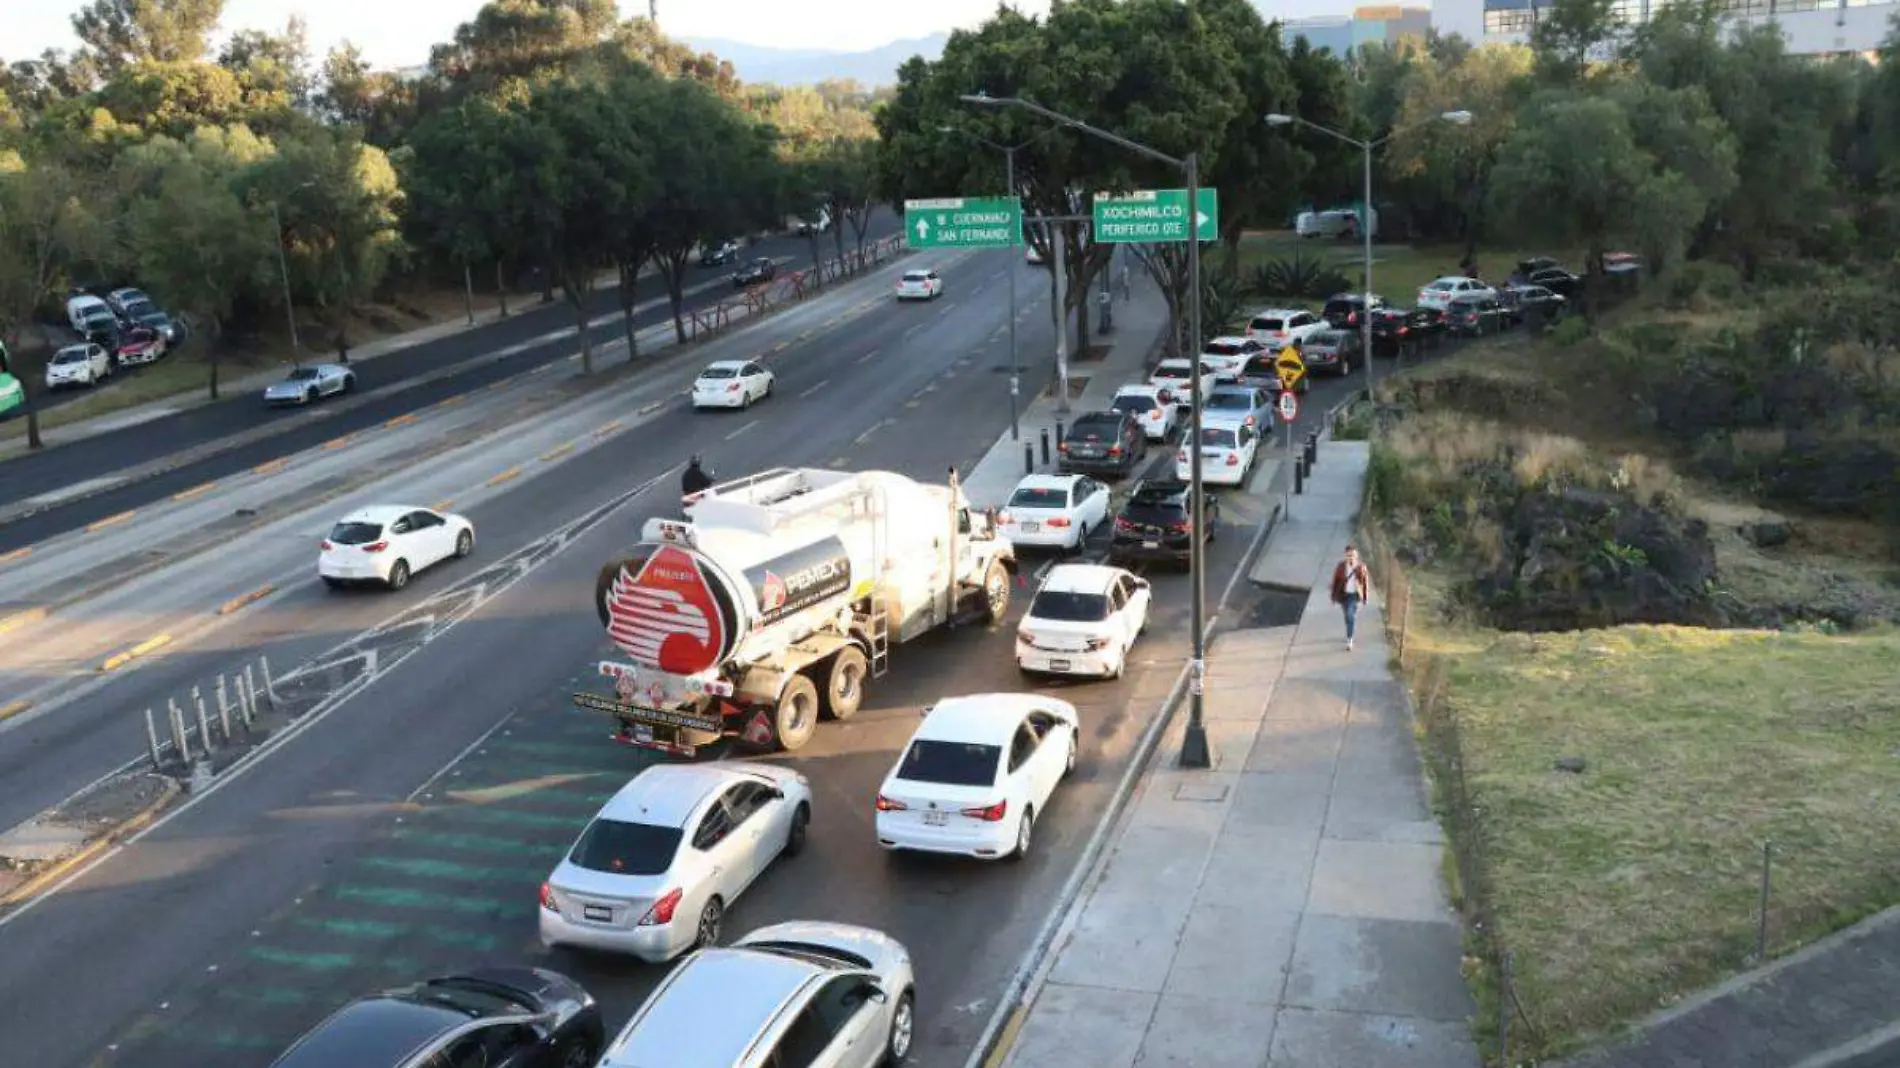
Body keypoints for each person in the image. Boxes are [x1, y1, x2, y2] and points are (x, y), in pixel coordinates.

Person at [1329, 544, 1373, 651]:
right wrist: (1333, 597)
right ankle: (1349, 630)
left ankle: (1350, 639)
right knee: (1347, 616)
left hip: (1354, 595)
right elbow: (1335, 581)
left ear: (1356, 556)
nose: (1350, 558)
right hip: (1344, 595)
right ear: (1345, 556)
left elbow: (1365, 583)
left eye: (1352, 555)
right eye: (1348, 556)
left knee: (1350, 616)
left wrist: (1365, 597)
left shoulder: (1361, 567)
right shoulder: (1341, 566)